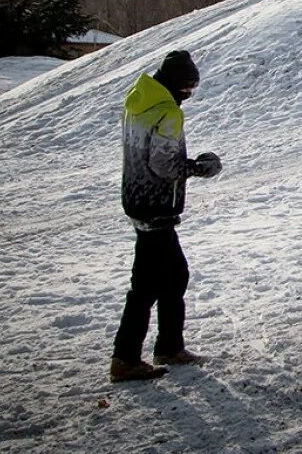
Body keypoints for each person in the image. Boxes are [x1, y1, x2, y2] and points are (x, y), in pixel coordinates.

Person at [110, 51, 222, 383]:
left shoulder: (138, 102)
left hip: (136, 198)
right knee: (146, 286)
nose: (188, 96)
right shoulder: (168, 111)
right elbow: (164, 165)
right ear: (176, 84)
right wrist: (200, 168)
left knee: (173, 276)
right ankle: (126, 357)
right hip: (157, 203)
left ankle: (169, 345)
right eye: (187, 88)